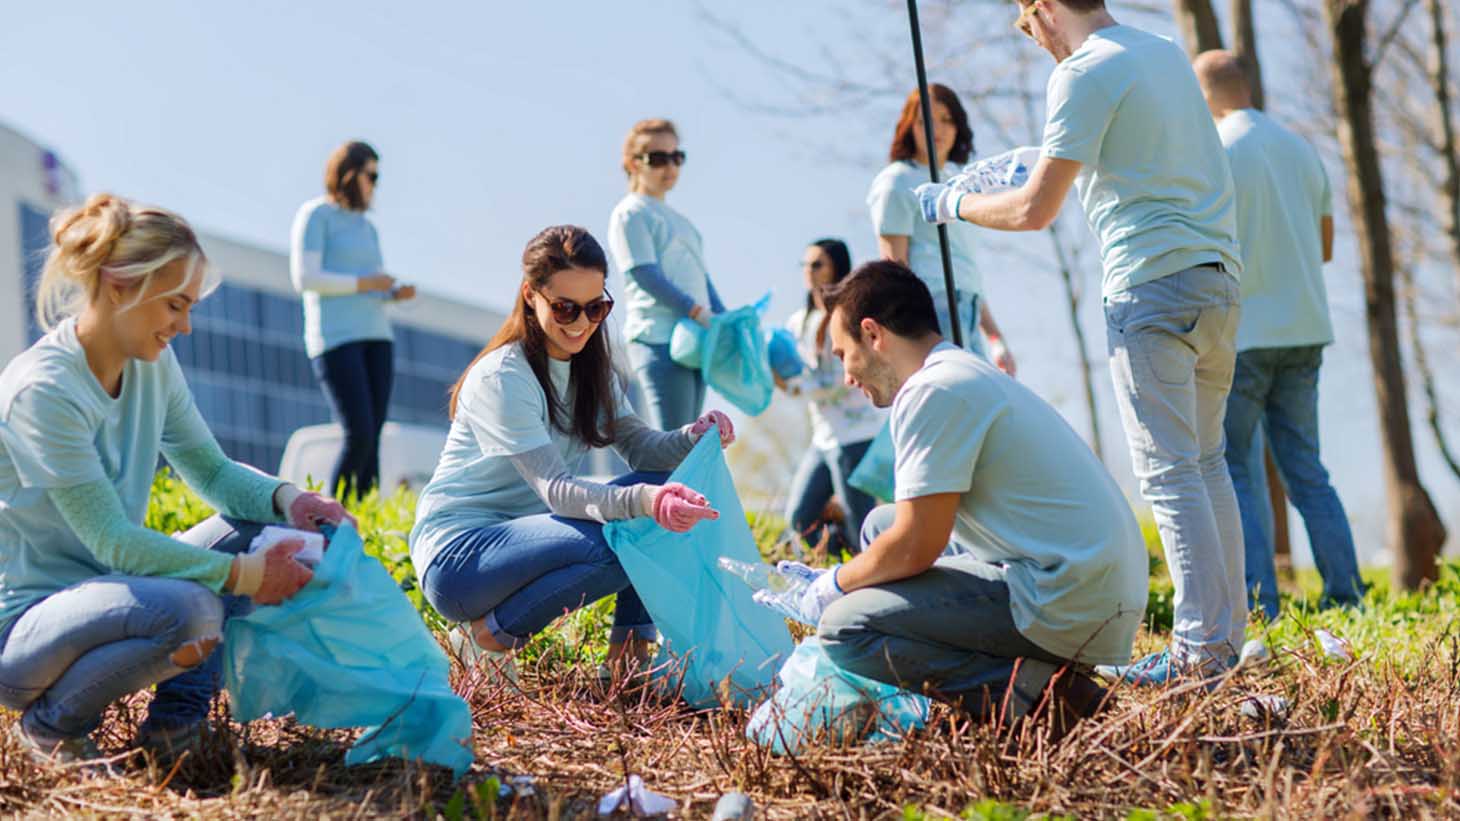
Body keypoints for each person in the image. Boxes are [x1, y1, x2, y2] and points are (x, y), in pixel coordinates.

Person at [918, 0, 1246, 683]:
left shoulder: (1081, 71)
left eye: (1026, 24)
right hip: (1217, 282)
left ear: (1042, 8)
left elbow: (1036, 209)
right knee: (1208, 463)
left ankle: (1198, 655)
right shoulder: (1161, 53)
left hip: (1150, 287)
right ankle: (1223, 643)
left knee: (1170, 471)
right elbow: (1135, 154)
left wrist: (952, 203)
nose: (1031, 39)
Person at [0, 195, 352, 764]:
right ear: (118, 285)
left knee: (270, 531)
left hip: (116, 589)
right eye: (174, 305)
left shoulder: (151, 362)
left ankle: (174, 733)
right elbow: (112, 540)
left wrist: (290, 500)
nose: (184, 326)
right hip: (26, 628)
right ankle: (52, 727)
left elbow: (210, 470)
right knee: (192, 610)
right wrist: (244, 575)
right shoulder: (45, 391)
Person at [773, 262, 1146, 733]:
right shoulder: (959, 371)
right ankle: (1034, 672)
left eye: (843, 353)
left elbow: (916, 546)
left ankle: (1043, 696)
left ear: (873, 334)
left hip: (1069, 597)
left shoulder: (932, 391)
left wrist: (833, 585)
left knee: (846, 628)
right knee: (877, 527)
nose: (846, 376)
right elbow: (907, 532)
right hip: (1087, 581)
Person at [410, 225, 733, 680]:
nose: (581, 323)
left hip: (531, 543)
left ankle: (628, 661)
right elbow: (558, 491)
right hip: (461, 560)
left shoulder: (591, 371)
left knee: (661, 492)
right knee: (626, 534)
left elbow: (642, 449)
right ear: (530, 295)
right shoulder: (504, 377)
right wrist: (643, 504)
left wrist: (692, 436)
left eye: (596, 307)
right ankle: (486, 636)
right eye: (564, 308)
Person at [1192, 50, 1365, 621]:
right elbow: (1325, 247)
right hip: (1306, 329)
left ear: (1209, 93)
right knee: (1306, 469)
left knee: (1235, 466)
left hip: (1244, 333)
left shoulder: (1216, 152)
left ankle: (1261, 604)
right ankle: (1347, 596)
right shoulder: (1301, 149)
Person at [290, 140, 416, 498]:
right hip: (335, 339)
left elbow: (371, 284)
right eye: (371, 175)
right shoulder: (316, 215)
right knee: (358, 432)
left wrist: (391, 292)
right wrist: (366, 283)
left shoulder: (367, 228)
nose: (374, 184)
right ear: (349, 174)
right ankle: (334, 518)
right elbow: (306, 278)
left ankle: (365, 520)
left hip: (377, 336)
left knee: (373, 434)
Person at [867, 84, 1015, 372]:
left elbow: (965, 268)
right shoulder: (897, 181)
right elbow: (895, 268)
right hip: (931, 308)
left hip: (968, 308)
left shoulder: (960, 185)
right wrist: (911, 331)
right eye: (925, 121)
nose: (938, 129)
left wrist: (995, 336)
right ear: (909, 126)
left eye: (947, 119)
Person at [607, 119, 727, 430]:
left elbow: (702, 279)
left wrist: (723, 318)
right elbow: (643, 273)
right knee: (673, 442)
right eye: (658, 158)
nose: (670, 166)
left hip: (695, 339)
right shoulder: (630, 212)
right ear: (633, 163)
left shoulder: (683, 221)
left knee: (690, 442)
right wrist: (696, 310)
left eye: (677, 157)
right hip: (658, 338)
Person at [778, 239, 884, 554]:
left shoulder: (850, 315)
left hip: (855, 434)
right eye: (805, 265)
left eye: (817, 264)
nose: (809, 272)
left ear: (836, 267)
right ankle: (848, 561)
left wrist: (799, 387)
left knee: (861, 521)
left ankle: (874, 574)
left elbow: (846, 375)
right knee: (799, 519)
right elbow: (795, 369)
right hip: (822, 437)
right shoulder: (798, 322)